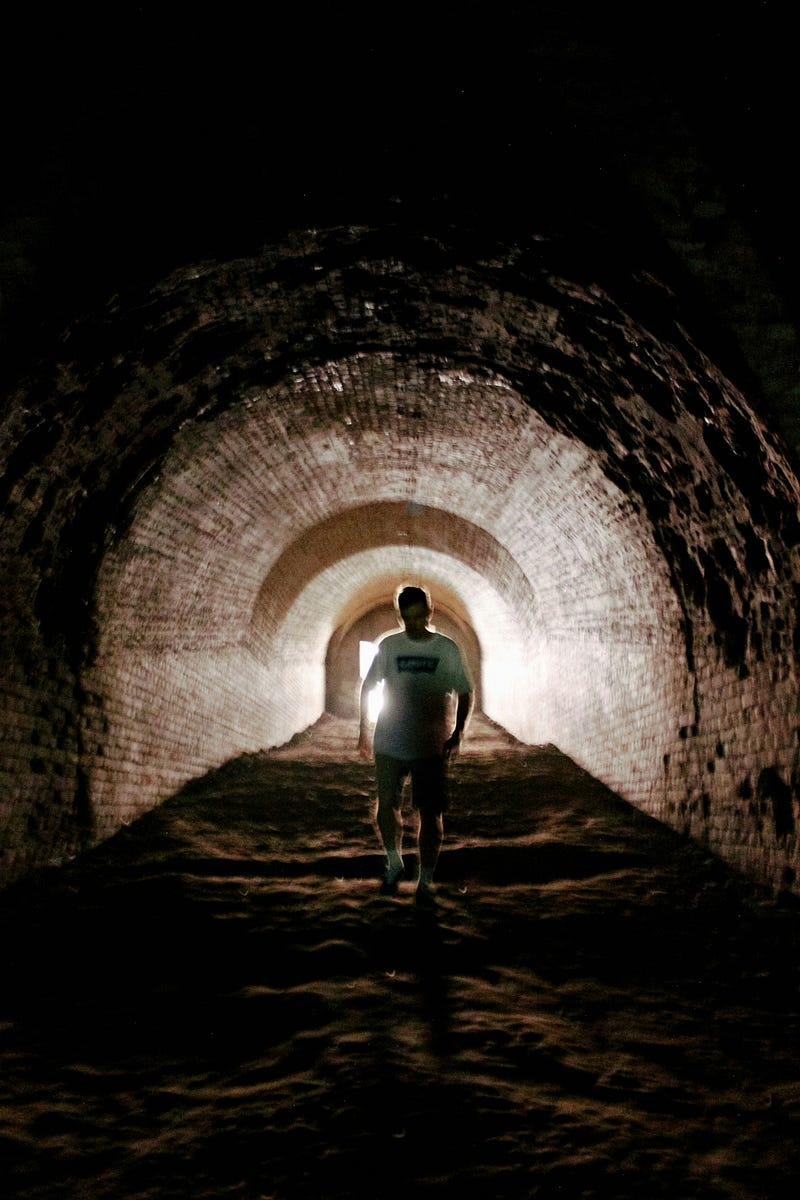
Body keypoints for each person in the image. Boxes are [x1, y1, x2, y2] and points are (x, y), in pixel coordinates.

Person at [358, 585, 473, 907]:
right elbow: (369, 686)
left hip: (430, 744)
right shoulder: (390, 646)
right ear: (399, 617)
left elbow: (465, 691)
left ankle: (425, 879)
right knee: (387, 805)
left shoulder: (446, 649)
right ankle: (394, 862)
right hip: (389, 740)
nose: (413, 624)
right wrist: (363, 730)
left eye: (419, 617)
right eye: (407, 619)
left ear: (429, 613)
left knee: (430, 812)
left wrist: (458, 732)